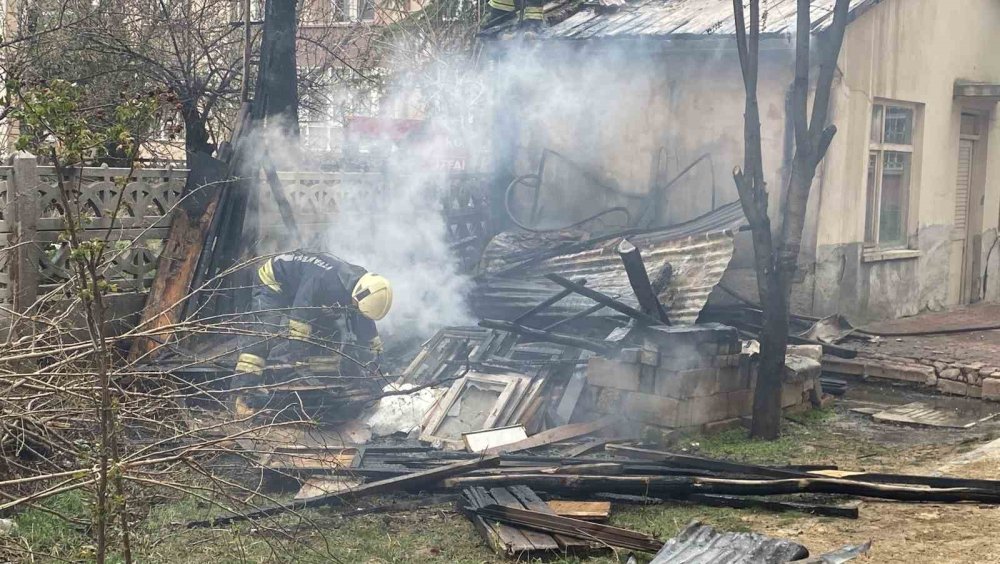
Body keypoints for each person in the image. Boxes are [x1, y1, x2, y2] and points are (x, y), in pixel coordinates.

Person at [232, 251, 392, 415]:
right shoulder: (322, 279)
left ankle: (290, 370)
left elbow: (364, 322)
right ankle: (244, 392)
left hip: (298, 285)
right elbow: (300, 319)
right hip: (273, 282)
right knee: (265, 334)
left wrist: (378, 358)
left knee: (326, 330)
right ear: (359, 294)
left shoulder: (362, 285)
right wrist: (299, 363)